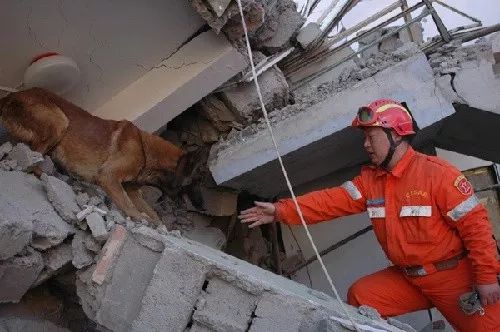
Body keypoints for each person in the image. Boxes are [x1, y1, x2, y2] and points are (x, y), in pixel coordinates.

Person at [239, 99, 500, 331]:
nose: (366, 145)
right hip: (409, 279)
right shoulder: (370, 181)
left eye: (371, 137)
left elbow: (476, 229)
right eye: (364, 138)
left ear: (395, 136)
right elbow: (331, 201)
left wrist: (487, 278)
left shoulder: (439, 175)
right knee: (363, 297)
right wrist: (281, 210)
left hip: (455, 278)